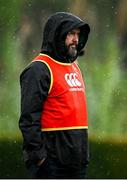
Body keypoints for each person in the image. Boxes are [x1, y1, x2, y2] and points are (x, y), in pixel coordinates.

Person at [19, 12, 90, 179]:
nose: (76, 39)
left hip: (77, 164)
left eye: (78, 34)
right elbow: (28, 119)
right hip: (52, 166)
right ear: (57, 35)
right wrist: (40, 159)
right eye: (71, 33)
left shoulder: (75, 67)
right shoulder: (38, 69)